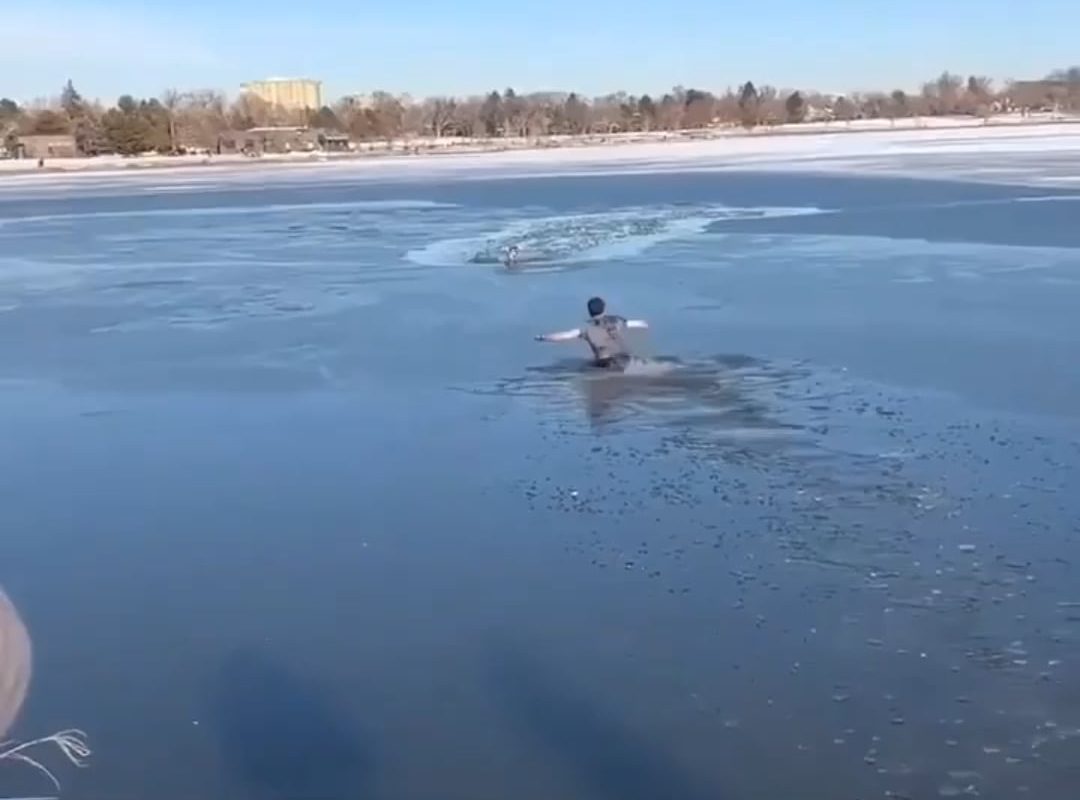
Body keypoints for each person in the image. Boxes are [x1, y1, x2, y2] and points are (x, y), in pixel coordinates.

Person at [535, 296, 649, 368]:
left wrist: (543, 337)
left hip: (606, 363)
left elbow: (565, 336)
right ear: (604, 309)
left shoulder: (585, 329)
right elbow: (635, 323)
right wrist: (645, 324)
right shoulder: (616, 321)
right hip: (626, 358)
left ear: (589, 312)